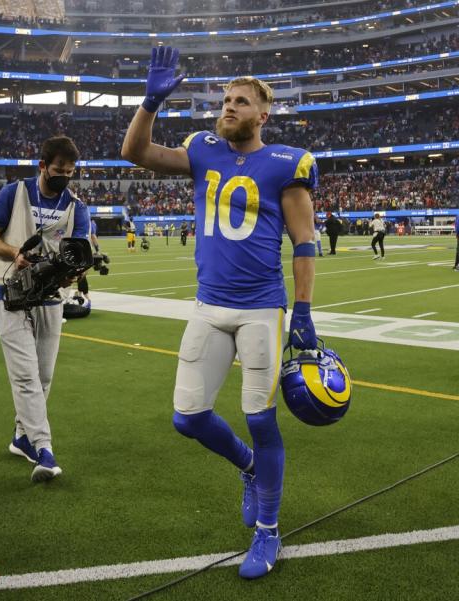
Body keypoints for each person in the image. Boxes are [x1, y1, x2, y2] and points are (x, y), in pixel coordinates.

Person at [121, 46, 319, 580]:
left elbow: (304, 242)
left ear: (263, 114)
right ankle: (249, 469)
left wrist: (302, 312)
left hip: (261, 310)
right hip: (209, 305)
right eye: (226, 99)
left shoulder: (286, 163)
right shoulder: (203, 149)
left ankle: (269, 531)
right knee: (187, 418)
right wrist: (150, 103)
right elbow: (136, 152)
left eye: (241, 101)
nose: (228, 107)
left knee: (261, 418)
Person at [0, 136, 91, 483]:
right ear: (42, 166)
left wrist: (74, 271)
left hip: (50, 298)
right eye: (59, 170)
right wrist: (15, 254)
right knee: (26, 375)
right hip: (10, 293)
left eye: (70, 172)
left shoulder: (77, 206)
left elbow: (80, 251)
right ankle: (44, 449)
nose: (64, 177)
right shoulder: (14, 193)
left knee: (42, 377)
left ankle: (20, 437)